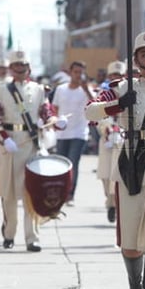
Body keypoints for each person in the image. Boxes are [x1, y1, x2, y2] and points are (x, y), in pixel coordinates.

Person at [86, 30, 145, 289]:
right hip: (131, 163)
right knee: (132, 242)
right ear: (135, 59)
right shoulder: (120, 87)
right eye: (143, 54)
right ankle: (135, 285)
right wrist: (119, 105)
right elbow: (91, 112)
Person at [0, 50, 56, 252]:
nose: (20, 69)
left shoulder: (39, 89)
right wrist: (4, 139)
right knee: (8, 194)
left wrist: (54, 121)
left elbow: (46, 112)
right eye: (16, 65)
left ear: (29, 67)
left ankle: (32, 238)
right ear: (11, 69)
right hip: (10, 145)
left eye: (23, 65)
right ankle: (9, 233)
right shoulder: (1, 90)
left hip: (31, 143)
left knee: (31, 192)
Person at [52, 61, 94, 205]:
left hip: (79, 132)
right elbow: (54, 108)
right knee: (61, 163)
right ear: (70, 73)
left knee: (73, 162)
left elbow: (95, 104)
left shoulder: (86, 90)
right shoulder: (61, 89)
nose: (78, 75)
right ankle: (61, 193)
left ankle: (70, 194)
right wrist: (56, 122)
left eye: (80, 72)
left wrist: (86, 89)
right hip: (62, 134)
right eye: (75, 72)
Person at [94, 60, 126, 223]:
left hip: (123, 141)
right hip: (107, 142)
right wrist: (107, 129)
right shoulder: (103, 92)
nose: (116, 78)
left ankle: (117, 207)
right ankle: (110, 203)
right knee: (107, 177)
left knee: (119, 178)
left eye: (119, 75)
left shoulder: (128, 90)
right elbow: (97, 115)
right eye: (113, 75)